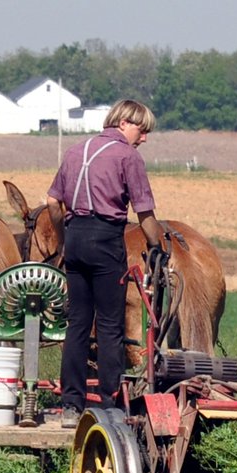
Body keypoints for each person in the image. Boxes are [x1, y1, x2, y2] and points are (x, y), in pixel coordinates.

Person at [46, 98, 164, 427]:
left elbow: (53, 201)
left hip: (76, 238)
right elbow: (144, 213)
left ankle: (71, 405)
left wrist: (63, 238)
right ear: (124, 122)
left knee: (78, 324)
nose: (144, 138)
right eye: (143, 130)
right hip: (106, 240)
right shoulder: (128, 157)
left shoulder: (74, 152)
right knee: (111, 325)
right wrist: (158, 246)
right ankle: (111, 404)